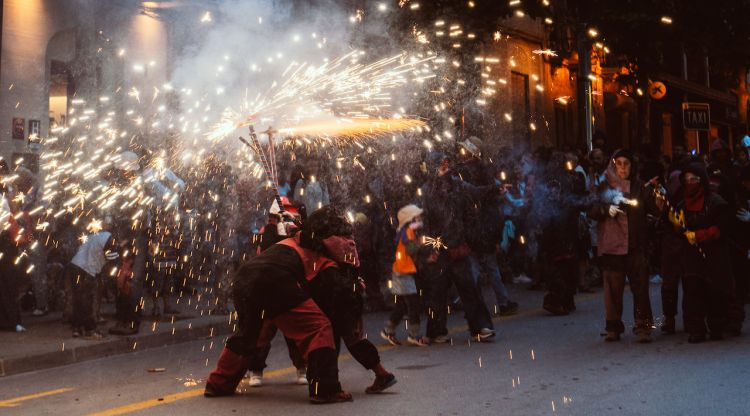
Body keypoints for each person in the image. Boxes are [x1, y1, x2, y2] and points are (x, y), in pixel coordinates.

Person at [205, 207, 379, 403]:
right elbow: (338, 284)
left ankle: (218, 384)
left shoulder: (296, 238)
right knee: (318, 327)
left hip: (245, 278)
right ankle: (325, 389)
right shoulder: (326, 248)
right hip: (275, 279)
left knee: (251, 335)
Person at [422, 153, 497, 343]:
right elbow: (424, 223)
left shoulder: (457, 185)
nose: (444, 164)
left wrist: (495, 189)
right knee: (437, 292)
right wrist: (432, 248)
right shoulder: (426, 191)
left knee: (469, 288)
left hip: (457, 246)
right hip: (439, 248)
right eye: (440, 162)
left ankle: (480, 327)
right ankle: (437, 331)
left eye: (446, 161)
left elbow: (476, 192)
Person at [588, 149, 657, 342]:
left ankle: (642, 325)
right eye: (619, 163)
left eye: (626, 163)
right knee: (613, 288)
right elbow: (590, 209)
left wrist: (657, 195)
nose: (623, 168)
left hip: (635, 244)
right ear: (613, 164)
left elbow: (654, 209)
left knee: (640, 287)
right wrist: (604, 209)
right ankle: (613, 326)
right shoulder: (603, 185)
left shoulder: (640, 186)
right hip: (612, 244)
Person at [671, 163, 735, 343]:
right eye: (687, 180)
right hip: (691, 255)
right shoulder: (682, 204)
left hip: (714, 254)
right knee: (693, 291)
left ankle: (716, 326)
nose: (690, 183)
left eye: (694, 180)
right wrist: (677, 227)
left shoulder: (715, 202)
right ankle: (696, 329)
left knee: (715, 291)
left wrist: (702, 235)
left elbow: (723, 225)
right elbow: (676, 227)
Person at [380, 204, 428, 347]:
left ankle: (388, 330)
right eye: (417, 216)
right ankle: (414, 335)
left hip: (402, 271)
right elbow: (411, 250)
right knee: (413, 304)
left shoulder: (406, 231)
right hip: (403, 273)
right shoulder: (407, 232)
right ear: (411, 219)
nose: (420, 218)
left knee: (402, 305)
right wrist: (420, 243)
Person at [68, 230, 121, 339]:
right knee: (87, 299)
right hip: (85, 269)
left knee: (78, 299)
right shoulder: (109, 239)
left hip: (75, 265)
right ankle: (90, 330)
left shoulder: (97, 235)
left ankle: (77, 328)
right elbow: (112, 257)